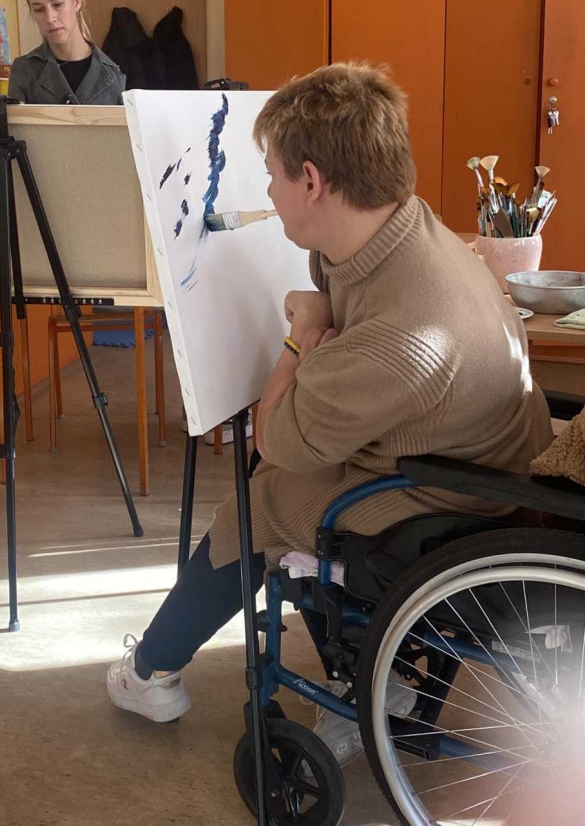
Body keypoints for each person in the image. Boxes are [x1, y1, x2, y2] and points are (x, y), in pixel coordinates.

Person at [106, 62, 554, 734]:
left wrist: (300, 336)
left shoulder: (398, 332)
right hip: (492, 449)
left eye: (271, 175)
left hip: (458, 494)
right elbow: (345, 291)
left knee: (262, 499)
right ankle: (362, 668)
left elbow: (275, 439)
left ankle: (150, 672)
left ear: (312, 181)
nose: (266, 190)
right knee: (295, 480)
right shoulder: (413, 226)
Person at [8, 0, 125, 105]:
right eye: (38, 9)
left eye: (57, 4)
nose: (50, 18)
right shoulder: (25, 70)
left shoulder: (114, 76)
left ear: (76, 1)